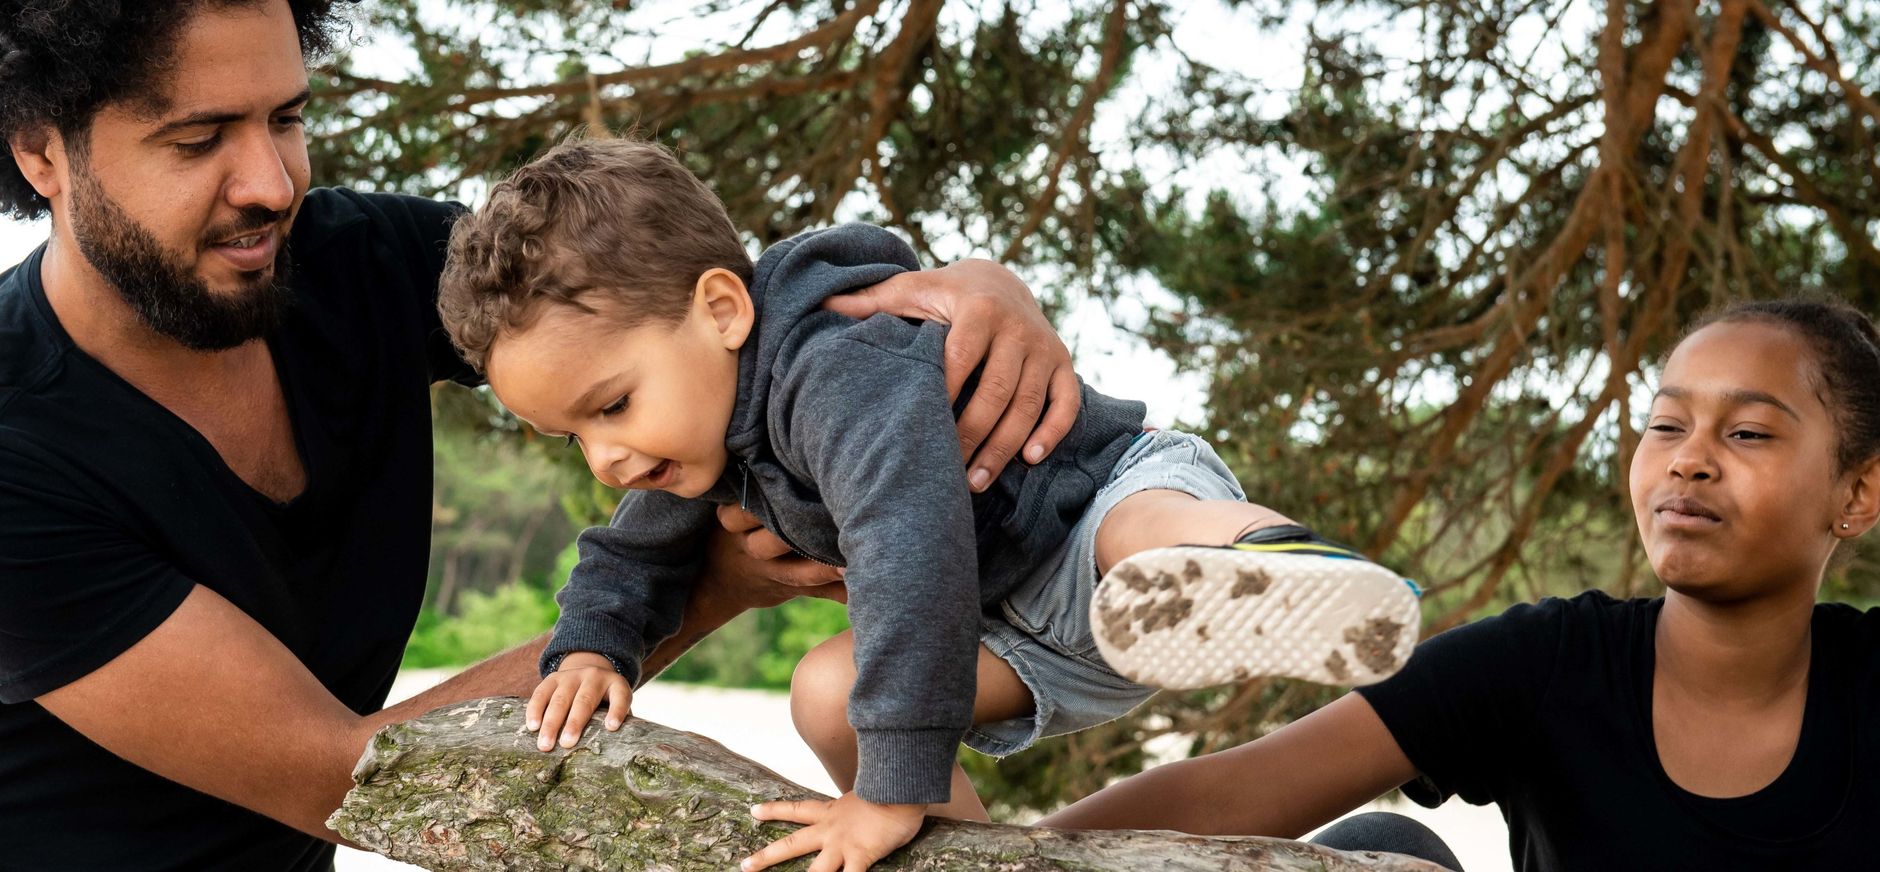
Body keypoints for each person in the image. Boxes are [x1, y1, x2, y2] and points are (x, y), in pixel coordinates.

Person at [0, 2, 1086, 868]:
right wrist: (706, 585)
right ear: (43, 154)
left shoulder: (348, 261)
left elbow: (673, 311)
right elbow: (345, 777)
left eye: (284, 117)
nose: (272, 183)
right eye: (200, 139)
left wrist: (966, 292)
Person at [434, 135, 1421, 872]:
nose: (605, 457)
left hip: (1086, 515)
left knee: (1140, 536)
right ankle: (971, 857)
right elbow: (627, 554)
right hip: (1021, 640)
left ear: (723, 308)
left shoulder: (829, 370)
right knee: (826, 690)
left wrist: (885, 791)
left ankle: (1284, 572)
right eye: (574, 435)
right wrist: (590, 649)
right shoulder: (691, 436)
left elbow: (904, 544)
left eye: (611, 405)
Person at [1039, 296, 1880, 871]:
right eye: (1665, 425)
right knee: (1382, 850)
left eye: (1747, 432)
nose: (1687, 459)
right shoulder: (1548, 663)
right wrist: (1011, 857)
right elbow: (1232, 793)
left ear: (1858, 493)